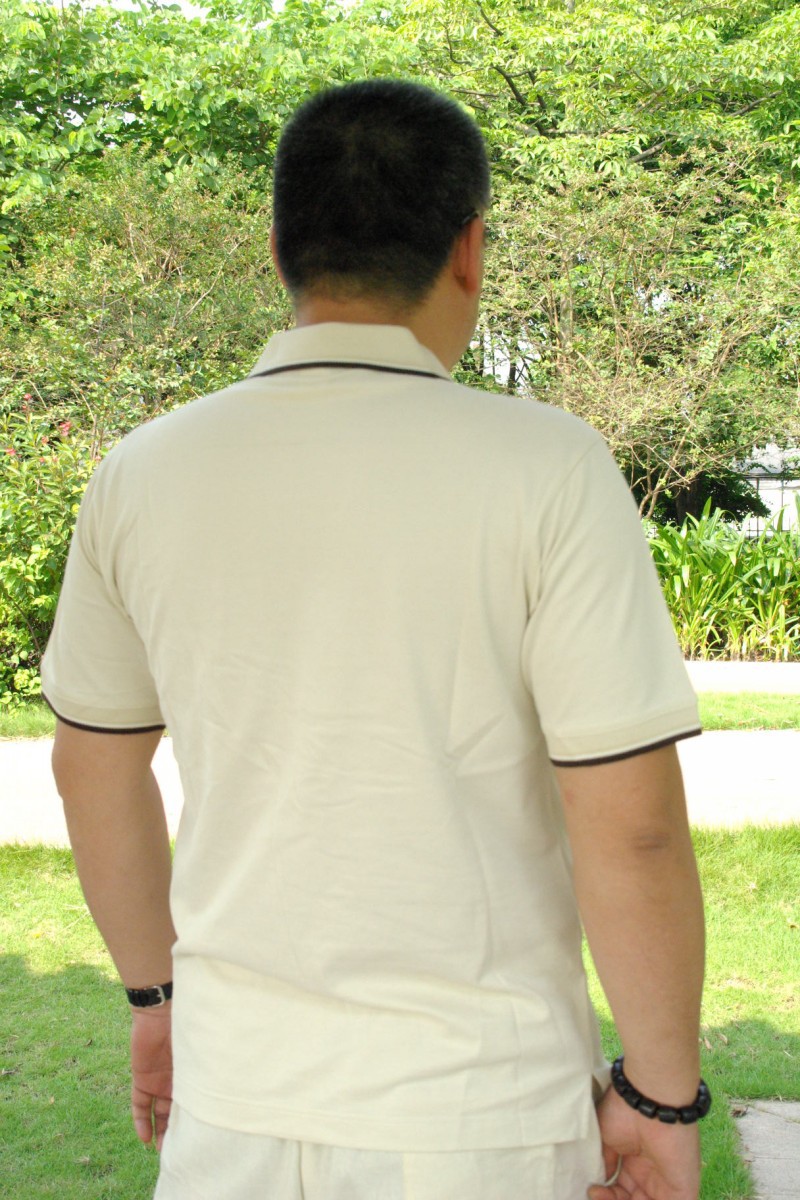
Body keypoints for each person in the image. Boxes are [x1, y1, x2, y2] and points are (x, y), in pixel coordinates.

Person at [42, 79, 707, 1200]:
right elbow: (630, 825)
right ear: (469, 250)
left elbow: (91, 767)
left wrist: (155, 1002)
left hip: (231, 1107)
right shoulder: (548, 466)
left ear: (280, 251)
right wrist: (659, 1099)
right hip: (480, 1117)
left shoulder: (142, 473)